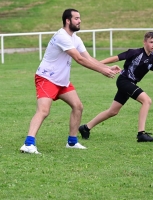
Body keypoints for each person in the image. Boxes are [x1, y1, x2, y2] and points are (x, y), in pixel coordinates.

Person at [20, 8, 121, 154]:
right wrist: (102, 71)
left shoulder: (75, 38)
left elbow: (88, 58)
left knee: (78, 106)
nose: (79, 21)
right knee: (43, 110)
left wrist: (107, 67)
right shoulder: (62, 36)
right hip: (47, 78)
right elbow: (79, 59)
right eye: (76, 18)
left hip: (62, 81)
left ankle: (72, 142)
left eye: (80, 18)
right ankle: (28, 144)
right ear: (68, 20)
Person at [79, 31, 153, 142]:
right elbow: (115, 58)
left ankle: (85, 128)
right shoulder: (135, 52)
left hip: (130, 84)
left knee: (113, 111)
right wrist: (97, 64)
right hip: (124, 81)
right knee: (146, 101)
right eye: (151, 42)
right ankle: (141, 134)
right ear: (144, 42)